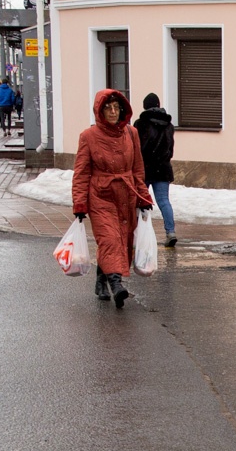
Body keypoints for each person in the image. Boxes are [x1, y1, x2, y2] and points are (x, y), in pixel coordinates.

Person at [71, 88, 152, 309]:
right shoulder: (88, 137)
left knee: (121, 240)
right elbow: (81, 172)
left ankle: (101, 280)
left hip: (125, 196)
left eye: (117, 108)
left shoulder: (131, 133)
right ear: (100, 111)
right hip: (101, 196)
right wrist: (79, 202)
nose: (113, 112)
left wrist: (143, 196)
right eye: (108, 108)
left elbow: (137, 169)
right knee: (109, 239)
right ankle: (116, 284)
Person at [134, 93, 176, 247]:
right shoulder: (169, 125)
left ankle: (136, 233)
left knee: (138, 202)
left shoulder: (140, 123)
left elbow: (136, 147)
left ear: (145, 106)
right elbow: (170, 149)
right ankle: (170, 232)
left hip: (143, 168)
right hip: (163, 168)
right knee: (164, 201)